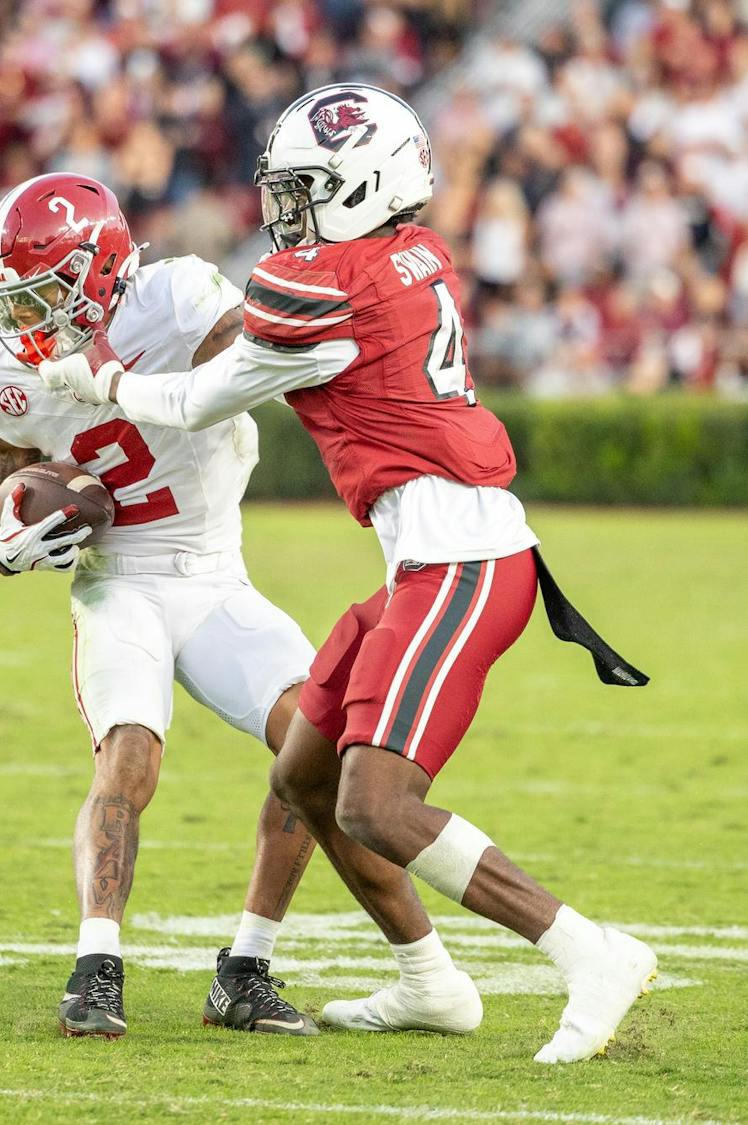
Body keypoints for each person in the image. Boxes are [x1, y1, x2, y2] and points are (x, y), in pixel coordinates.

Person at [39, 85, 654, 1063]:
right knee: (306, 771)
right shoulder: (408, 257)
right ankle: (427, 982)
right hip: (432, 556)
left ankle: (588, 951)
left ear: (362, 182)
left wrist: (98, 379)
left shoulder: (330, 282)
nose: (286, 209)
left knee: (377, 802)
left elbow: (200, 399)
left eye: (304, 188)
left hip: (461, 561)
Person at [0, 173, 321, 1039]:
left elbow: (250, 367)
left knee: (319, 745)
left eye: (43, 295)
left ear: (100, 271)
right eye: (11, 302)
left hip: (212, 574)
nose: (25, 324)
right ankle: (95, 969)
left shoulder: (177, 296)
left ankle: (245, 969)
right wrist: (0, 539)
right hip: (117, 574)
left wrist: (117, 380)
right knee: (129, 754)